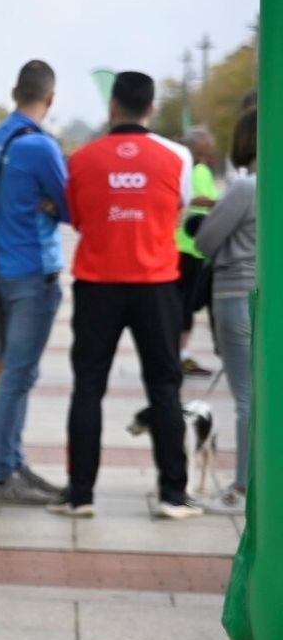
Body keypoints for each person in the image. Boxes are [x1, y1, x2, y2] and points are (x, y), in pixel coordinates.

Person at [53, 71, 199, 520]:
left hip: (98, 284)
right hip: (156, 285)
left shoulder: (82, 159)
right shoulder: (177, 158)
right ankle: (173, 495)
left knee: (88, 387)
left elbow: (77, 219)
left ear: (113, 107)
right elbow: (181, 211)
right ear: (151, 109)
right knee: (165, 387)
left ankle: (81, 495)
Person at [0, 60, 69, 505]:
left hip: (3, 268)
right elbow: (71, 206)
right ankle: (1, 473)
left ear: (16, 92)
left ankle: (10, 461)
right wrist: (53, 205)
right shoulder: (41, 147)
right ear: (50, 99)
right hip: (35, 271)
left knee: (13, 373)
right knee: (18, 375)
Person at [193, 107, 257, 513]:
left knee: (247, 398)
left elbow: (206, 241)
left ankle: (243, 488)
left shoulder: (246, 187)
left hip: (236, 293)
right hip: (269, 293)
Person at [176, 125, 221, 376]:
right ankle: (180, 355)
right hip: (191, 246)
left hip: (187, 245)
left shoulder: (187, 167)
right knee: (186, 305)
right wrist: (225, 204)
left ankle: (179, 354)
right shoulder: (198, 169)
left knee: (184, 304)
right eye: (208, 145)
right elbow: (201, 198)